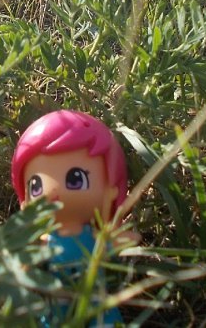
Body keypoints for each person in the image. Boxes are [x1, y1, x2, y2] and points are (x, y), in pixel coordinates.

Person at [11, 110, 137, 326]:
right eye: (35, 186)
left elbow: (117, 243)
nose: (52, 191)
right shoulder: (45, 241)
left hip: (95, 300)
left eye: (76, 179)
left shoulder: (94, 237)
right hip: (56, 302)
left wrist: (121, 240)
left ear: (111, 190)